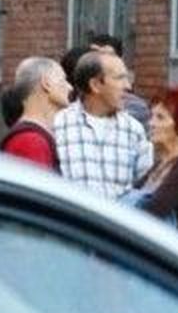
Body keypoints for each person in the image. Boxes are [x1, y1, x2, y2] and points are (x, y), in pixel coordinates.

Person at [54, 49, 154, 200]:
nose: (128, 86)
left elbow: (146, 190)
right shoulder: (59, 125)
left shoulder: (133, 130)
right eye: (120, 78)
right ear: (95, 85)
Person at [130, 87, 178, 234]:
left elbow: (151, 212)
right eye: (152, 116)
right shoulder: (164, 161)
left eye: (160, 117)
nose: (151, 123)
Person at [0, 55, 72, 171]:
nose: (70, 87)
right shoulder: (30, 141)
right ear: (46, 83)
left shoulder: (33, 137)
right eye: (63, 80)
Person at [87, 31, 150, 127]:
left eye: (107, 57)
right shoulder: (73, 102)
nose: (100, 62)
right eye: (94, 56)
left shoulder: (136, 108)